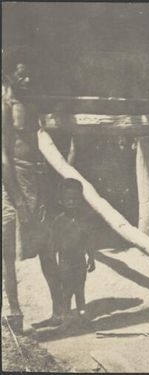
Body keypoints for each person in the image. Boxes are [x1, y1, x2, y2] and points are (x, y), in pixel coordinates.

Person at [2, 52, 63, 325]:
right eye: (20, 75)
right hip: (15, 180)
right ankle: (14, 310)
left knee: (47, 243)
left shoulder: (31, 101)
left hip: (37, 177)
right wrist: (18, 198)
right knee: (9, 248)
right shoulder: (5, 106)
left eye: (29, 75)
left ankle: (60, 310)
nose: (26, 79)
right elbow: (3, 157)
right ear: (8, 76)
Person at [52, 178, 95, 326]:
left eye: (75, 199)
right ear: (61, 201)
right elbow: (54, 243)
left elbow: (89, 239)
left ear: (80, 200)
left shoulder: (84, 219)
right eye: (68, 199)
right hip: (64, 262)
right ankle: (66, 315)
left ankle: (82, 313)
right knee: (67, 289)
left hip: (80, 260)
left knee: (80, 288)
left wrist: (92, 258)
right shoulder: (59, 221)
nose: (71, 202)